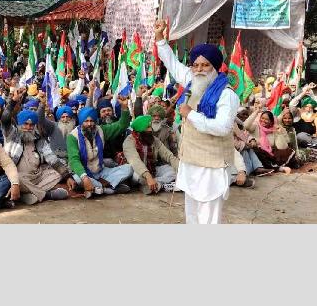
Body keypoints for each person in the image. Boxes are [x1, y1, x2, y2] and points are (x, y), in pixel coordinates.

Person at [154, 19, 239, 224]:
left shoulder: (226, 95)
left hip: (212, 166)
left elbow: (222, 127)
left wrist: (190, 114)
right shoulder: (193, 81)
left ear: (215, 67)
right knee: (191, 215)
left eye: (205, 65)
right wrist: (159, 37)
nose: (199, 69)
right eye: (196, 65)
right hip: (191, 161)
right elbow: (172, 63)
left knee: (208, 218)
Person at [3, 110, 74, 205]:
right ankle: (47, 195)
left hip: (37, 175)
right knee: (15, 179)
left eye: (31, 125)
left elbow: (52, 159)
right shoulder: (12, 136)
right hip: (21, 177)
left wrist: (67, 177)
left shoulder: (39, 140)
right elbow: (5, 120)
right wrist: (12, 104)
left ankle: (27, 194)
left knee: (59, 172)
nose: (28, 127)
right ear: (19, 125)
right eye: (25, 124)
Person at [66, 100, 133, 199]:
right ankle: (109, 188)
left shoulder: (101, 130)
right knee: (78, 179)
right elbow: (74, 160)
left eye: (92, 121)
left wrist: (124, 107)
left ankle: (98, 189)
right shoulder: (72, 136)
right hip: (84, 172)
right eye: (86, 121)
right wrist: (84, 177)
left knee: (129, 168)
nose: (89, 124)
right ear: (81, 122)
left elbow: (121, 125)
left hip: (101, 171)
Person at [123, 115, 179, 195]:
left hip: (152, 170)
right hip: (137, 171)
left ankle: (155, 184)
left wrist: (181, 169)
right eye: (147, 127)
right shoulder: (129, 141)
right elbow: (135, 161)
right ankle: (155, 184)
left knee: (173, 171)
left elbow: (168, 155)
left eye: (150, 126)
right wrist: (148, 176)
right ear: (140, 130)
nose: (150, 129)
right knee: (135, 174)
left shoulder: (153, 139)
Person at [243, 108, 294, 174]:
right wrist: (256, 112)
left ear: (271, 122)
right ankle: (278, 168)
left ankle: (273, 167)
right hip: (257, 152)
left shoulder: (274, 130)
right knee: (257, 151)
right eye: (262, 118)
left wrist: (279, 133)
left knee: (285, 152)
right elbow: (245, 126)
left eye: (266, 119)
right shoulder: (256, 126)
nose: (263, 121)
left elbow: (281, 147)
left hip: (268, 154)